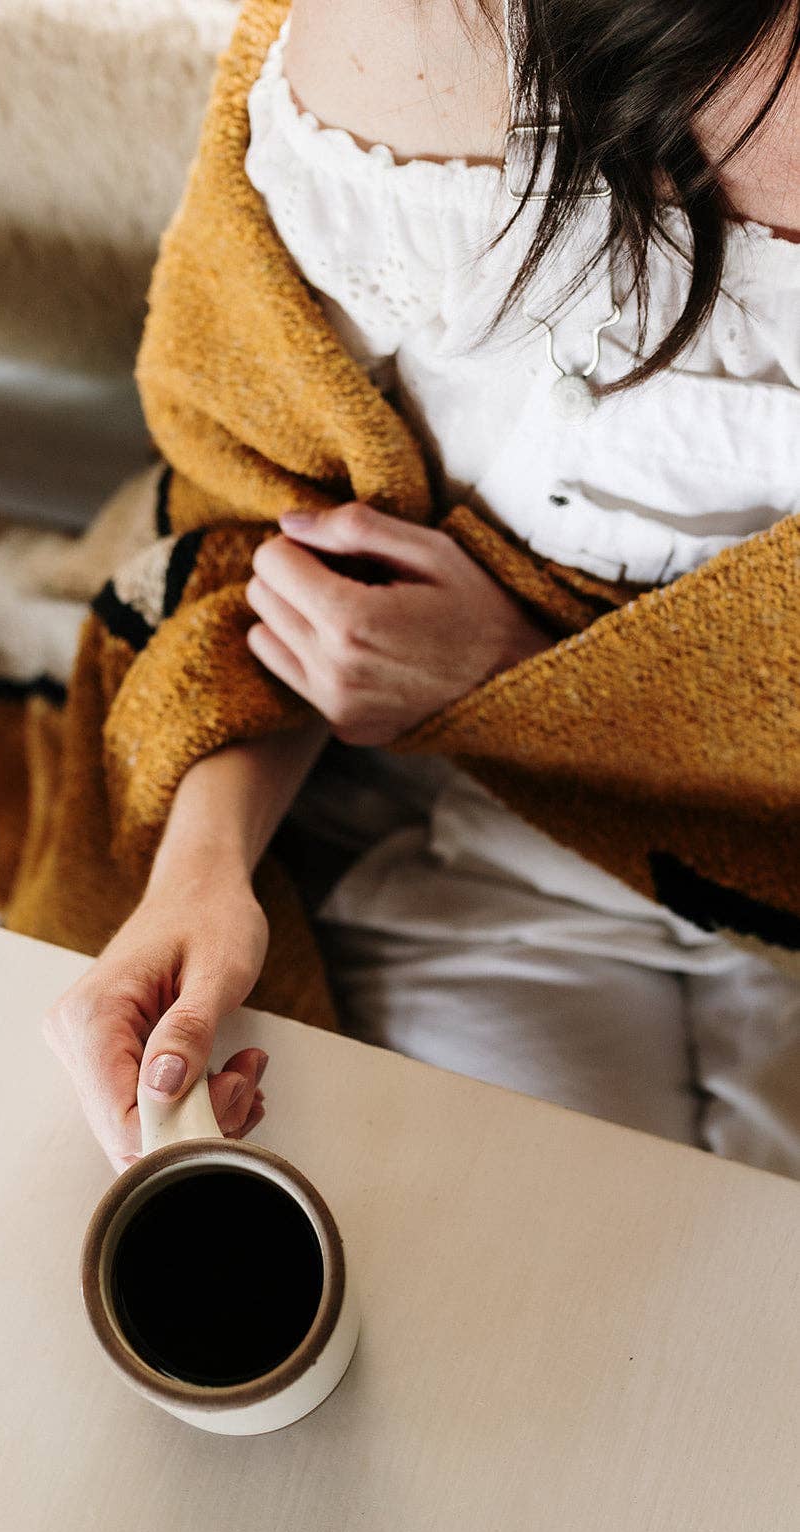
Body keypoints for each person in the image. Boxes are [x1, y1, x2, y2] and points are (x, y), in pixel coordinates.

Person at [43, 0, 800, 1176]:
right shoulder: (417, 44)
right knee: (483, 1298)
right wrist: (198, 878)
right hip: (470, 838)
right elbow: (272, 524)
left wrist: (510, 670)